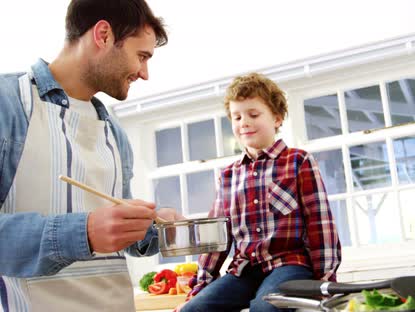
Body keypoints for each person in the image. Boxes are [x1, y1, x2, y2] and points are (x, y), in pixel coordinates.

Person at [0, 1, 182, 311]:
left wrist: (155, 228)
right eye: (141, 56)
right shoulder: (9, 104)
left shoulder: (113, 131)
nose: (144, 73)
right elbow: (91, 230)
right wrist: (82, 233)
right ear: (103, 34)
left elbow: (114, 232)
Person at [176, 73, 342, 312]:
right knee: (192, 310)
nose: (244, 122)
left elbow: (320, 223)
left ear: (276, 118)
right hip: (243, 270)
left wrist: (325, 280)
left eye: (253, 115)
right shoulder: (228, 176)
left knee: (264, 309)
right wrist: (201, 284)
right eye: (237, 116)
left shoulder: (298, 161)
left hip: (289, 265)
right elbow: (217, 238)